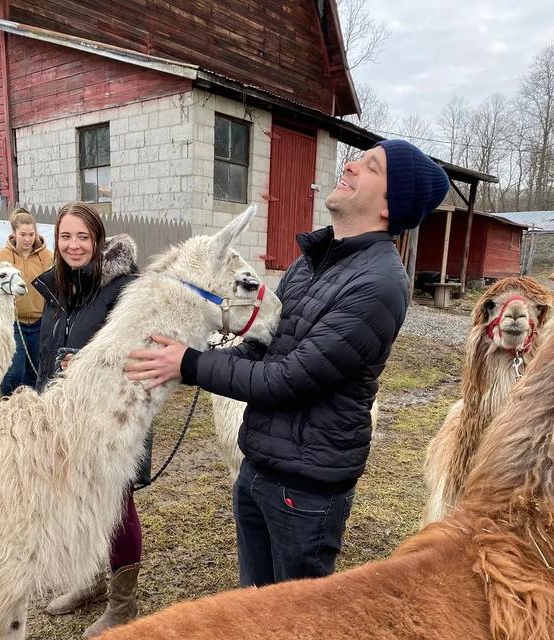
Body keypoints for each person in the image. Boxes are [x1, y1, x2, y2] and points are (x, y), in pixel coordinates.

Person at [126, 140, 450, 587]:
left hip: (305, 490)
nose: (350, 165)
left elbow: (289, 378)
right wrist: (180, 362)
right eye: (358, 157)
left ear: (390, 206)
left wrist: (192, 365)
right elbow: (265, 348)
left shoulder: (379, 284)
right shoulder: (311, 263)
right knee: (253, 606)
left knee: (294, 621)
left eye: (370, 166)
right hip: (259, 465)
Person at [33, 202, 145, 638]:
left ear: (97, 241)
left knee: (116, 506)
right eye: (66, 237)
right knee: (77, 505)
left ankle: (123, 604)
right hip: (62, 417)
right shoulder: (56, 290)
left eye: (83, 237)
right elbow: (46, 356)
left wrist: (92, 363)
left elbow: (138, 351)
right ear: (56, 241)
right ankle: (88, 583)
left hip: (110, 420)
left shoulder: (120, 291)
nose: (74, 245)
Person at [0, 208, 53, 394]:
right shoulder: (2, 256)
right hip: (13, 323)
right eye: (23, 234)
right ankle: (7, 407)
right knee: (14, 372)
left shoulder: (48, 256)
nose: (27, 239)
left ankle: (30, 411)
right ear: (14, 234)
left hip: (40, 322)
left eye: (31, 234)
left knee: (35, 371)